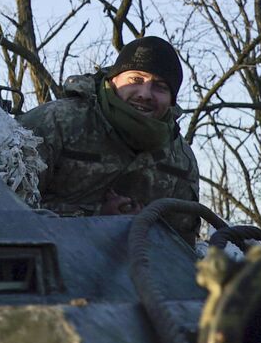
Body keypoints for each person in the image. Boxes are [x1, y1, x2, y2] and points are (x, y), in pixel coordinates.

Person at [18, 36, 201, 235]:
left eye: (160, 87)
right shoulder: (56, 122)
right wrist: (98, 218)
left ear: (171, 100)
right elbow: (4, 206)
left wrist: (146, 228)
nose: (145, 94)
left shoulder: (180, 160)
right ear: (113, 80)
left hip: (137, 263)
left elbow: (182, 243)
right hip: (42, 258)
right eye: (136, 79)